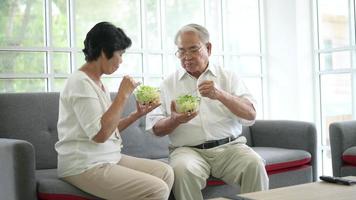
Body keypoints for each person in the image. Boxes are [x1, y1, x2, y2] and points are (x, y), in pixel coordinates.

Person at [146, 24, 268, 200]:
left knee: (254, 164)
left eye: (193, 49)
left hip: (230, 148)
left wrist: (220, 94)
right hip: (187, 151)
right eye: (181, 51)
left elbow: (251, 114)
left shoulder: (228, 77)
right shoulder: (168, 84)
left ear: (208, 48)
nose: (187, 57)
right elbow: (156, 128)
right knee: (182, 170)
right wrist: (174, 120)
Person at [55, 22, 174, 200]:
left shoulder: (97, 82)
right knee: (157, 189)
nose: (121, 60)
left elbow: (108, 128)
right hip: (84, 164)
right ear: (104, 51)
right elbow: (100, 134)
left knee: (165, 172)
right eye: (120, 53)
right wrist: (122, 95)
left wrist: (136, 115)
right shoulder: (80, 83)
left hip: (107, 157)